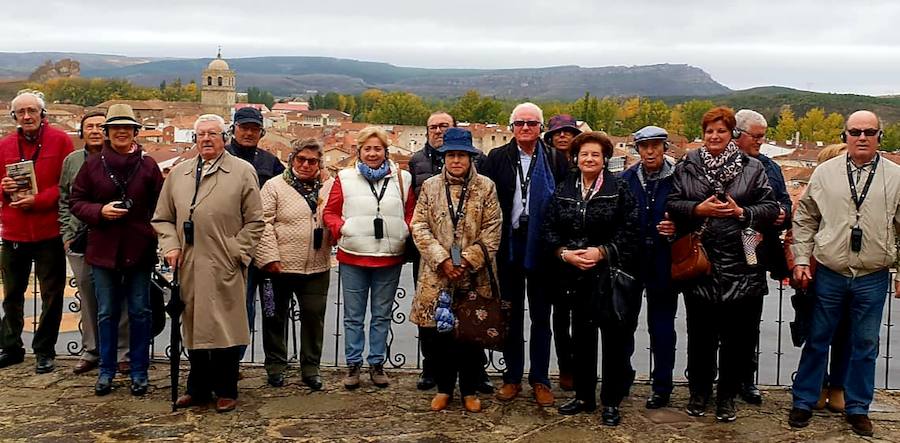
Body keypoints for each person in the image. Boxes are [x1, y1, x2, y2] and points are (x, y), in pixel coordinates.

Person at [788, 111, 900, 437]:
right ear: (844, 136)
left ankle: (858, 407)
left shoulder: (895, 176)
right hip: (831, 272)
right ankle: (804, 400)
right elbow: (805, 219)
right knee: (818, 339)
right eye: (855, 132)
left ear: (880, 136)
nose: (862, 137)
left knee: (866, 343)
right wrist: (801, 260)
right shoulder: (824, 173)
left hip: (873, 274)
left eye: (869, 132)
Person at [667, 106, 778, 422]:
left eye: (721, 131)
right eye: (709, 131)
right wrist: (697, 209)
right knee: (700, 336)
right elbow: (674, 203)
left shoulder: (752, 167)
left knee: (737, 340)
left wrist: (741, 213)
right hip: (701, 263)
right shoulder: (688, 165)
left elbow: (769, 207)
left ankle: (726, 398)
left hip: (742, 263)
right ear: (702, 135)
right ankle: (699, 393)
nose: (714, 136)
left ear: (732, 135)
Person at [152, 114, 264, 413]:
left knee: (225, 326)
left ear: (224, 137)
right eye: (200, 134)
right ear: (194, 139)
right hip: (188, 264)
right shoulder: (180, 174)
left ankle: (227, 388)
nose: (206, 139)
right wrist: (171, 246)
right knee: (193, 326)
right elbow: (162, 217)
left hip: (224, 263)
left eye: (212, 134)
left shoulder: (242, 172)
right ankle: (198, 388)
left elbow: (255, 221)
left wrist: (236, 252)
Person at [543, 131, 639, 426]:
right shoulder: (564, 189)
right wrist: (564, 254)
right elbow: (549, 229)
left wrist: (602, 252)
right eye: (584, 154)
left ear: (605, 159)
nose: (589, 159)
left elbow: (631, 231)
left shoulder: (619, 189)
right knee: (581, 339)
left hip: (608, 276)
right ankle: (584, 396)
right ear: (575, 158)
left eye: (595, 154)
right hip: (575, 276)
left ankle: (610, 401)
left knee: (613, 341)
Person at [69, 104, 164, 396]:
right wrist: (100, 211)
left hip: (138, 248)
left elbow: (161, 206)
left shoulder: (148, 166)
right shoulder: (93, 165)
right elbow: (76, 201)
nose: (121, 133)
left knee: (140, 311)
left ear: (135, 132)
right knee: (107, 312)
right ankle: (106, 371)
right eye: (115, 128)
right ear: (107, 133)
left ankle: (139, 370)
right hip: (103, 249)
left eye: (127, 128)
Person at [480, 102, 569, 407]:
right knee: (511, 316)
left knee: (542, 317)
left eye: (532, 123)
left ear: (541, 128)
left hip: (543, 247)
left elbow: (565, 204)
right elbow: (486, 201)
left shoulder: (556, 159)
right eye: (520, 123)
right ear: (511, 127)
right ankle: (512, 377)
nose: (526, 128)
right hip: (509, 246)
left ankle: (541, 380)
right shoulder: (497, 158)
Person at [409, 127, 502, 413]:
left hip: (474, 274)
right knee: (441, 336)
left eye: (462, 155)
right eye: (451, 155)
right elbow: (419, 225)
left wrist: (467, 261)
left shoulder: (486, 187)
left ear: (470, 158)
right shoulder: (430, 187)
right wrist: (443, 260)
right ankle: (444, 388)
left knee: (471, 335)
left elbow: (493, 230)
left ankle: (470, 389)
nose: (456, 161)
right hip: (438, 274)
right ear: (444, 158)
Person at [323, 126, 415, 390]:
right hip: (353, 255)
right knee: (353, 316)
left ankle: (376, 363)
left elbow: (411, 211)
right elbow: (330, 212)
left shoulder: (403, 179)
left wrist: (404, 229)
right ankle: (353, 364)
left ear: (386, 151)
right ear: (359, 152)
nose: (372, 153)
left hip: (389, 256)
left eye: (377, 149)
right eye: (367, 149)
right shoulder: (345, 177)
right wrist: (343, 229)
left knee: (381, 315)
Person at [0, 90, 74, 373]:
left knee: (52, 295)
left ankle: (45, 351)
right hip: (14, 232)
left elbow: (67, 186)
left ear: (43, 114)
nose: (27, 116)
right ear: (15, 116)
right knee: (12, 295)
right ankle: (11, 347)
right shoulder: (4, 145)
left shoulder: (61, 141)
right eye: (21, 112)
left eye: (32, 110)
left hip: (49, 231)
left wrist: (39, 200)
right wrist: (4, 189)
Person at [255, 138, 333, 390]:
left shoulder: (329, 186)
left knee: (314, 318)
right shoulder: (274, 186)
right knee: (273, 317)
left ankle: (311, 368)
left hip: (317, 266)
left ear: (320, 163)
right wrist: (269, 257)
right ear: (292, 160)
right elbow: (262, 223)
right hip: (277, 267)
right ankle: (275, 366)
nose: (306, 165)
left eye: (312, 161)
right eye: (301, 159)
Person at [59, 111, 130, 375]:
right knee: (88, 297)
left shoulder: (123, 159)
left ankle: (122, 351)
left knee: (118, 296)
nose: (95, 130)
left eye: (101, 126)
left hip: (114, 239)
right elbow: (64, 198)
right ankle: (92, 350)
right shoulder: (73, 161)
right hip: (79, 240)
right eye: (89, 126)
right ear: (82, 132)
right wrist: (66, 234)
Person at [784, 143, 850, 413]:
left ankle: (838, 387)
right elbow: (794, 238)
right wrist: (799, 269)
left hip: (847, 272)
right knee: (818, 336)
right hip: (815, 274)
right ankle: (818, 387)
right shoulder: (807, 196)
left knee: (847, 334)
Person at [733, 109, 793, 405]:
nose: (761, 141)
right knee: (716, 321)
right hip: (722, 251)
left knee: (749, 320)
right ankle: (712, 378)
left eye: (762, 136)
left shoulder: (770, 167)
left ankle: (745, 379)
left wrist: (783, 214)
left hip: (755, 253)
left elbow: (786, 205)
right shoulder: (721, 164)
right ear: (737, 134)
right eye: (756, 136)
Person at [620, 126, 678, 409]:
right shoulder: (625, 179)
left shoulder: (679, 179)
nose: (650, 151)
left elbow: (693, 214)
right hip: (631, 260)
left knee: (662, 326)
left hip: (664, 260)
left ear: (665, 148)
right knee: (625, 323)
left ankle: (662, 386)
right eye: (645, 146)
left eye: (656, 145)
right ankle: (622, 377)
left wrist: (677, 228)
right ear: (638, 150)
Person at [225, 107, 285, 362]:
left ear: (261, 132)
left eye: (254, 129)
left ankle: (274, 362)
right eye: (244, 128)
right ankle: (233, 361)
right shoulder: (223, 157)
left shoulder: (269, 162)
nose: (249, 133)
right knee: (240, 307)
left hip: (266, 250)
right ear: (234, 129)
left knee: (271, 307)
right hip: (237, 247)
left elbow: (287, 188)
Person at [542, 113, 582, 390]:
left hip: (584, 249)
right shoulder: (545, 164)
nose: (563, 136)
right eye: (558, 133)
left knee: (582, 315)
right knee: (558, 315)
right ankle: (565, 367)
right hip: (555, 250)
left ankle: (581, 366)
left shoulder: (585, 166)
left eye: (568, 132)